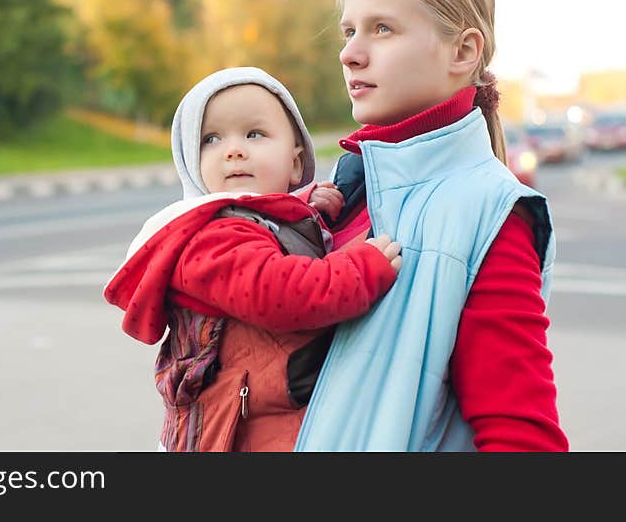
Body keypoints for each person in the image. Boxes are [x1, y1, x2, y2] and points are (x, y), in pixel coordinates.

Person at [294, 0, 569, 451]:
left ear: (463, 52)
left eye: (382, 29)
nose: (350, 53)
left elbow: (520, 434)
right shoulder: (343, 190)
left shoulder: (489, 212)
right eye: (348, 30)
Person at [103, 66, 402, 452]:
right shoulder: (209, 239)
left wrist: (307, 213)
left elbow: (268, 234)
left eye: (254, 134)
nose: (234, 149)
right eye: (210, 138)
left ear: (295, 163)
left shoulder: (254, 224)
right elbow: (279, 292)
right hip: (228, 440)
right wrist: (361, 270)